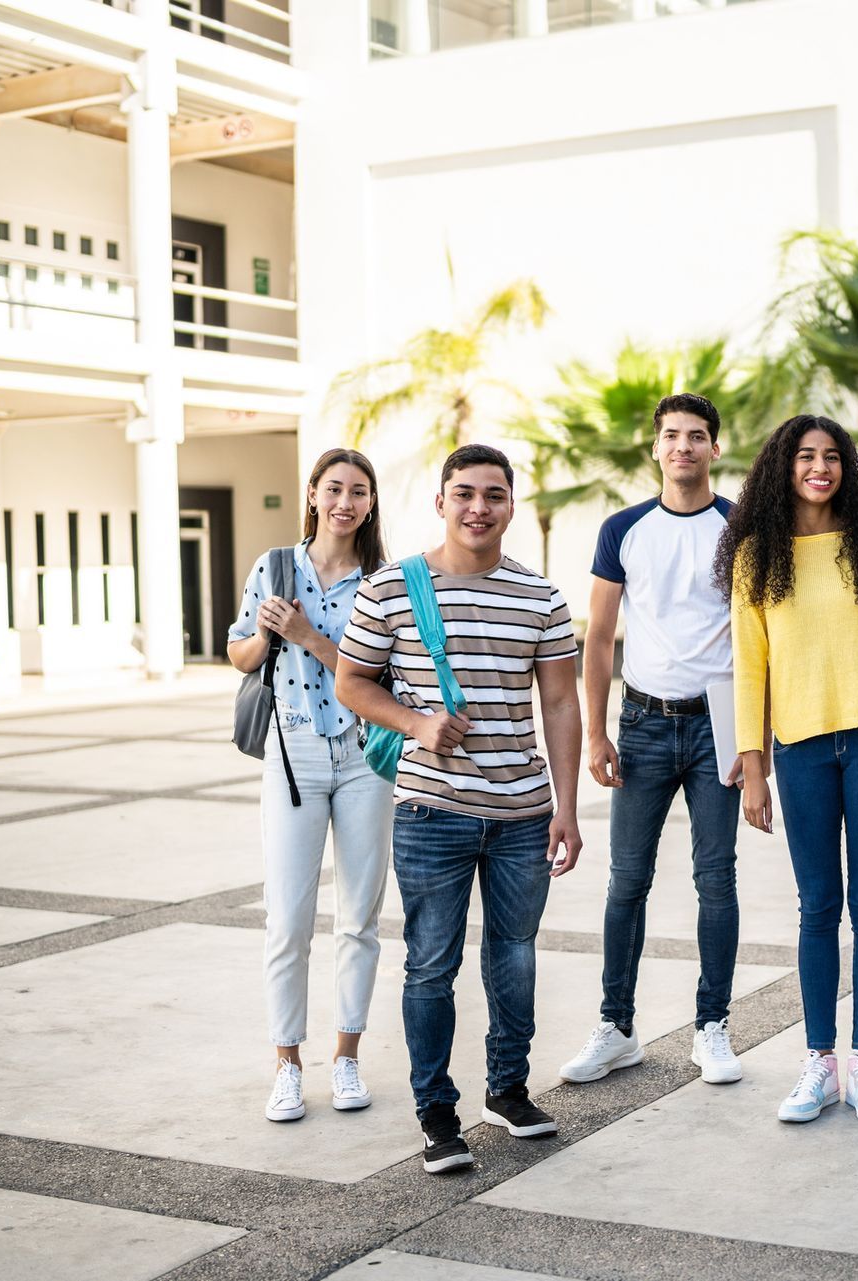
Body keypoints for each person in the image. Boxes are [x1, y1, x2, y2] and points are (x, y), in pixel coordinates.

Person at [334, 444, 584, 1176]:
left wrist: (566, 807)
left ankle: (507, 1090)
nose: (480, 507)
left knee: (514, 957)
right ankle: (437, 1116)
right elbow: (353, 681)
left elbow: (562, 702)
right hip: (431, 810)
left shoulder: (541, 596)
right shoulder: (390, 587)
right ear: (441, 502)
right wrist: (415, 724)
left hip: (522, 812)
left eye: (494, 494)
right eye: (465, 493)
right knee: (431, 965)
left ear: (511, 503)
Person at [715, 414, 858, 1126]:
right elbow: (750, 663)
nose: (819, 467)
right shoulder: (756, 556)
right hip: (800, 748)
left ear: (847, 467)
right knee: (815, 908)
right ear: (783, 466)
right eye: (806, 456)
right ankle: (818, 1060)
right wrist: (752, 764)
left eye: (832, 456)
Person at [561, 393, 743, 1087]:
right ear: (657, 447)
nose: (684, 447)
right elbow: (599, 637)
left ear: (715, 449)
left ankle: (713, 1026)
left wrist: (752, 743)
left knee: (715, 877)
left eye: (697, 436)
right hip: (640, 722)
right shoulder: (624, 528)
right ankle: (617, 1026)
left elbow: (757, 637)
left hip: (717, 723)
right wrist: (598, 732)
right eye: (672, 435)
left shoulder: (738, 526)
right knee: (627, 879)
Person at [228, 448, 394, 1125]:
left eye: (358, 491)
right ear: (313, 494)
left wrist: (309, 634)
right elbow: (237, 651)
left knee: (357, 918)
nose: (345, 502)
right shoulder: (275, 566)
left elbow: (382, 680)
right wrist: (268, 635)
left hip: (362, 755)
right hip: (291, 750)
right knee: (288, 919)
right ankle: (288, 1066)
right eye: (334, 489)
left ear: (371, 503)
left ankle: (347, 1056)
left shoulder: (385, 580)